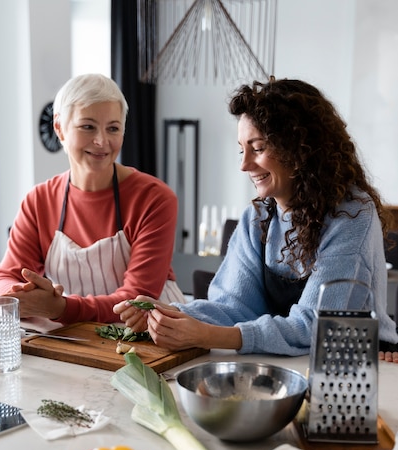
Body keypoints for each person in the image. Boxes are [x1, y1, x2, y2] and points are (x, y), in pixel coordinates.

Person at [114, 77, 398, 363]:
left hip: (361, 365)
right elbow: (234, 308)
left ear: (300, 149)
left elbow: (316, 325)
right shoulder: (258, 218)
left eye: (258, 148)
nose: (244, 164)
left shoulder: (351, 215)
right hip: (285, 360)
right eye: (242, 149)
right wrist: (170, 313)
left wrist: (206, 335)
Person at [0, 73, 185, 328]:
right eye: (88, 126)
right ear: (59, 128)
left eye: (113, 128)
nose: (102, 141)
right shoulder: (39, 201)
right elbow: (3, 277)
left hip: (150, 337)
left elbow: (137, 300)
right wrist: (17, 294)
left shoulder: (154, 199)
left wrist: (60, 307)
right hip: (77, 335)